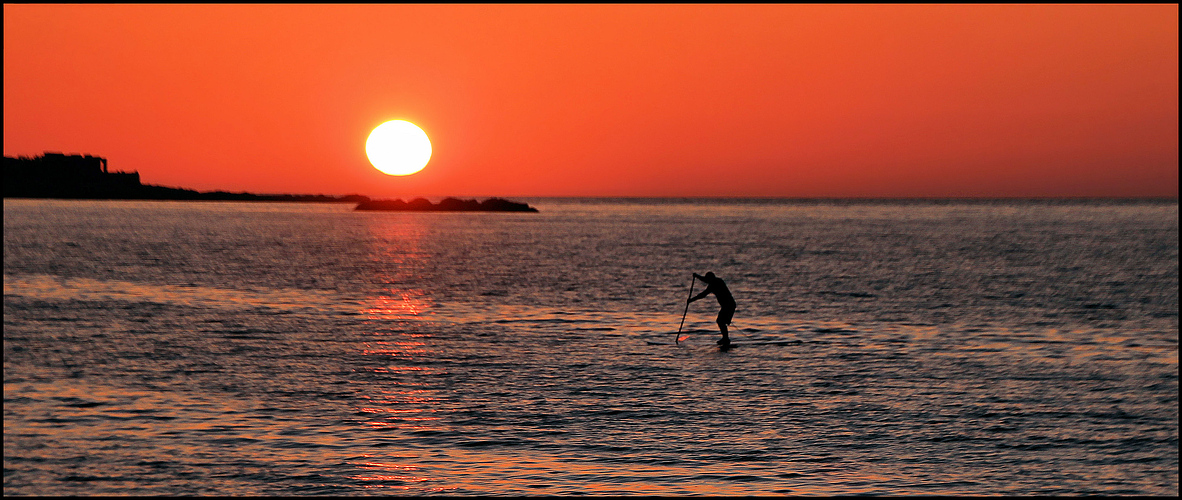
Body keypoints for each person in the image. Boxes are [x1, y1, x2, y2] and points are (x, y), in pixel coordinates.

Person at [688, 272, 736, 345]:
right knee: (721, 321)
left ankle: (726, 339)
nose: (707, 282)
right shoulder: (715, 282)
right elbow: (705, 281)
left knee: (720, 321)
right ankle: (725, 338)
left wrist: (692, 300)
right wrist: (697, 276)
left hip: (729, 305)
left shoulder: (716, 283)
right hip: (727, 305)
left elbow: (703, 294)